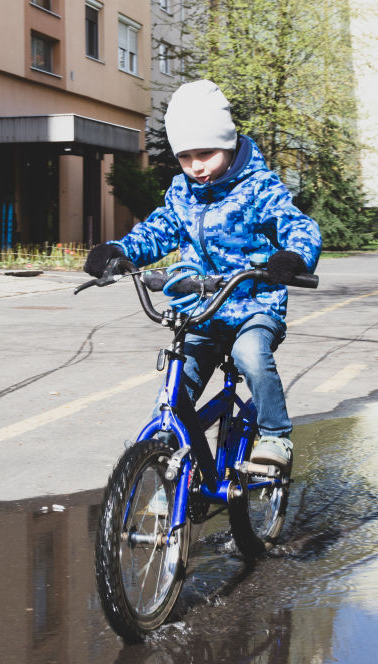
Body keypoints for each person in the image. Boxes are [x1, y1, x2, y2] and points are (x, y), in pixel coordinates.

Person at [83, 80, 322, 471]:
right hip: (201, 308)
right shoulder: (182, 193)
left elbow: (297, 225)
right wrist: (120, 251)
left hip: (252, 303)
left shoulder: (258, 188)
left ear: (228, 145)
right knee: (182, 376)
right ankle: (164, 450)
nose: (196, 166)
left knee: (250, 355)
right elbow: (157, 230)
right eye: (186, 156)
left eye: (207, 153)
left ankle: (275, 436)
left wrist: (293, 256)